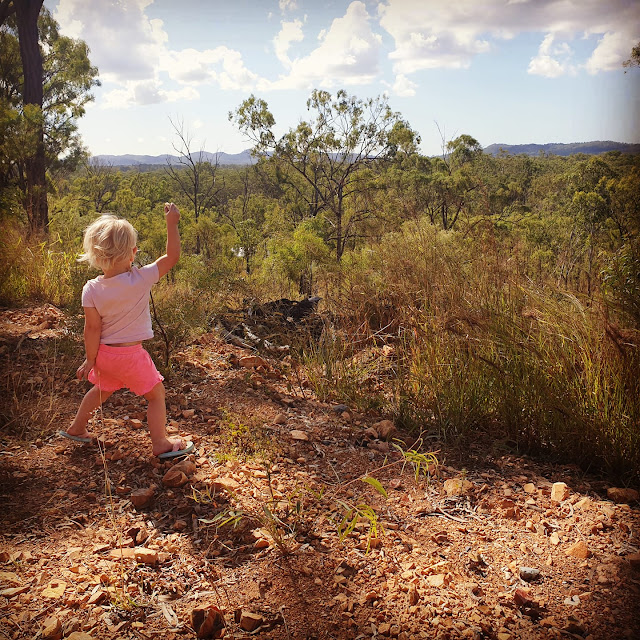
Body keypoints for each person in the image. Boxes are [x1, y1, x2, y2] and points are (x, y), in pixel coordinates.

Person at [59, 203, 194, 460]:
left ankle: (77, 427)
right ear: (132, 253)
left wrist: (90, 359)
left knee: (100, 390)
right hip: (131, 356)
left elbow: (92, 328)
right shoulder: (140, 278)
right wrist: (172, 223)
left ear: (97, 256)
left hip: (105, 356)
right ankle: (160, 443)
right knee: (156, 396)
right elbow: (172, 257)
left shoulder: (91, 288)